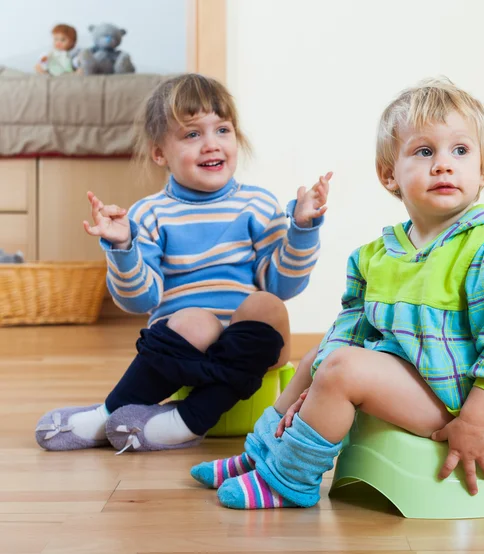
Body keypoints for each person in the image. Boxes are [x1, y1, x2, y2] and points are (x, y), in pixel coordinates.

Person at [191, 77, 484, 509]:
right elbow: (350, 328)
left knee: (344, 368)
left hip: (478, 406)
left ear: (482, 172)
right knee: (320, 357)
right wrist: (316, 387)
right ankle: (262, 453)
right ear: (389, 175)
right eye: (425, 152)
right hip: (425, 382)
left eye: (460, 151)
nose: (443, 164)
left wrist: (476, 423)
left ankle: (290, 479)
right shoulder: (376, 255)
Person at [35, 73, 332, 453]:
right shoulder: (149, 213)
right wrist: (123, 246)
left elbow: (282, 286)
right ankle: (116, 413)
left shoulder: (257, 205)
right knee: (196, 319)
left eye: (222, 130)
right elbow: (140, 301)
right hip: (184, 348)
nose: (211, 144)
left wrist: (302, 229)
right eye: (192, 134)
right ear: (160, 153)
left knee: (267, 304)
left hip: (250, 346)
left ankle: (184, 421)